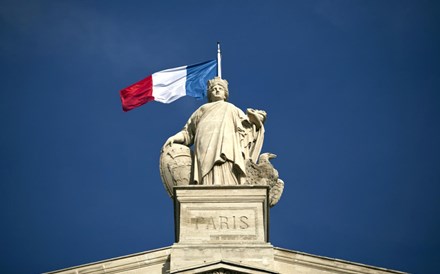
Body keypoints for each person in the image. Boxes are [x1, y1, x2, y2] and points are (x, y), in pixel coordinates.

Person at [164, 77, 266, 185]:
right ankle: (206, 184)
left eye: (220, 88)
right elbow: (188, 132)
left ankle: (229, 185)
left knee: (226, 162)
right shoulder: (202, 109)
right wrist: (174, 138)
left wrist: (257, 118)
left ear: (225, 94)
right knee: (205, 167)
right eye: (214, 89)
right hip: (205, 143)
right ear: (210, 94)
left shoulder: (231, 108)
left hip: (226, 144)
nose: (217, 90)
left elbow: (248, 126)